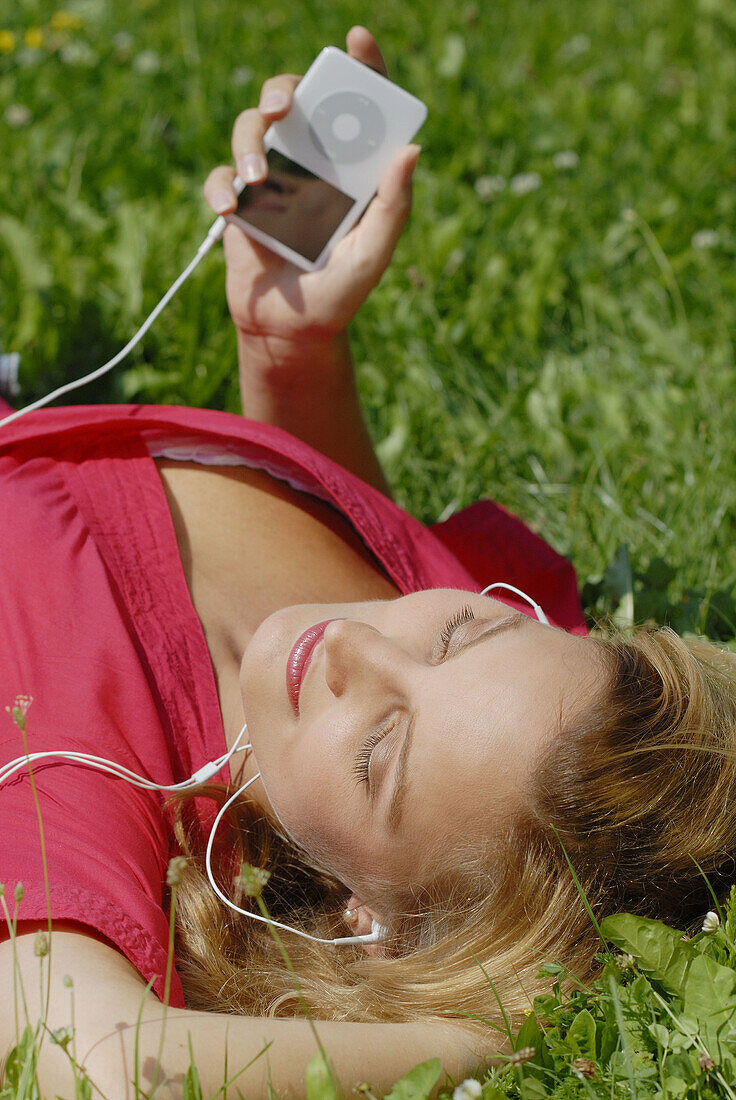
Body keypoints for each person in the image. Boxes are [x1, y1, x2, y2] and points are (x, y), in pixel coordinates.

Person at [2, 24, 735, 1100]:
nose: (355, 641)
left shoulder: (76, 757)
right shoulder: (500, 695)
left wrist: (498, 1029)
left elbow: (106, 1064)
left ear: (369, 924)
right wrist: (291, 353)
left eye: (381, 745)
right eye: (464, 627)